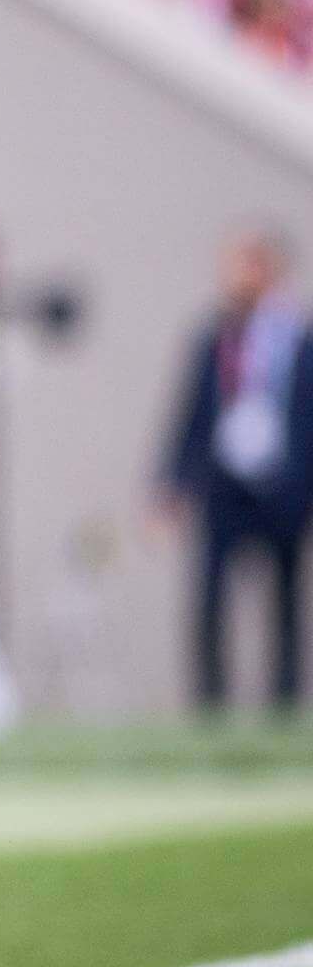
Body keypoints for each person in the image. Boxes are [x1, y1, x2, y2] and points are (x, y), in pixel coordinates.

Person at [159, 227, 313, 719]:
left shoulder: (299, 338)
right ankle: (211, 703)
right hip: (225, 486)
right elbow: (191, 416)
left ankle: (284, 702)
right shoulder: (216, 338)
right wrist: (172, 483)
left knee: (286, 600)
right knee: (210, 598)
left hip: (285, 486)